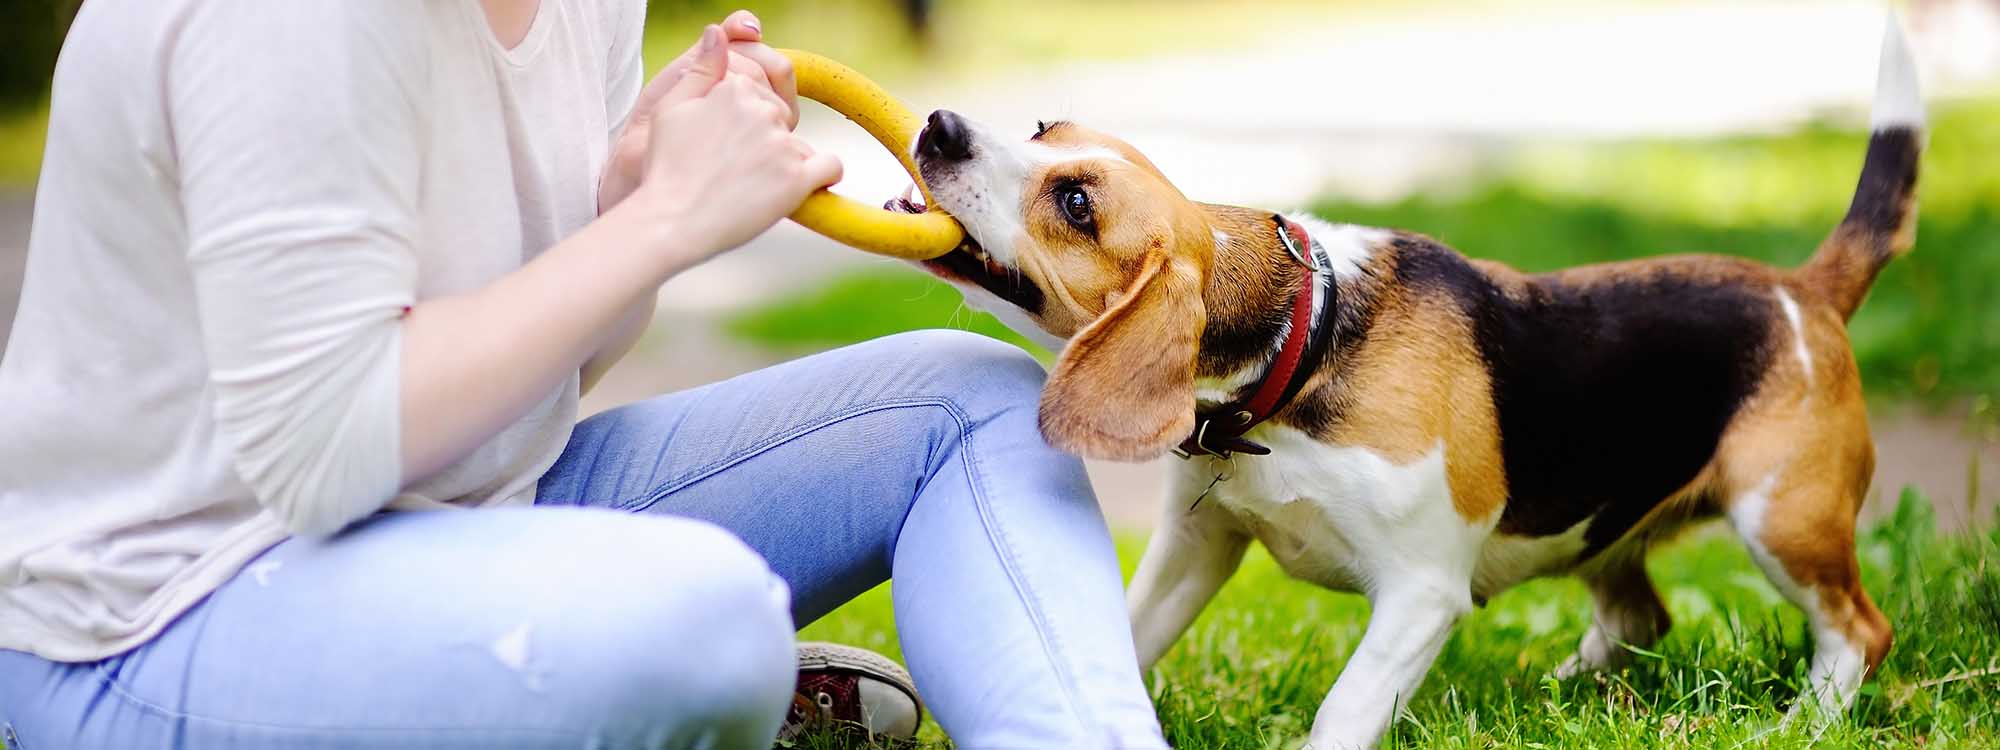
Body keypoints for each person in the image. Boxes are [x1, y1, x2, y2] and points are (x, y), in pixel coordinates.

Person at [0, 1, 1168, 748]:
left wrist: (614, 200)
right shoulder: (294, 22)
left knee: (974, 403)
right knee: (704, 627)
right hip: (161, 614)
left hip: (470, 507)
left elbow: (546, 368)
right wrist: (656, 222)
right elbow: (322, 457)